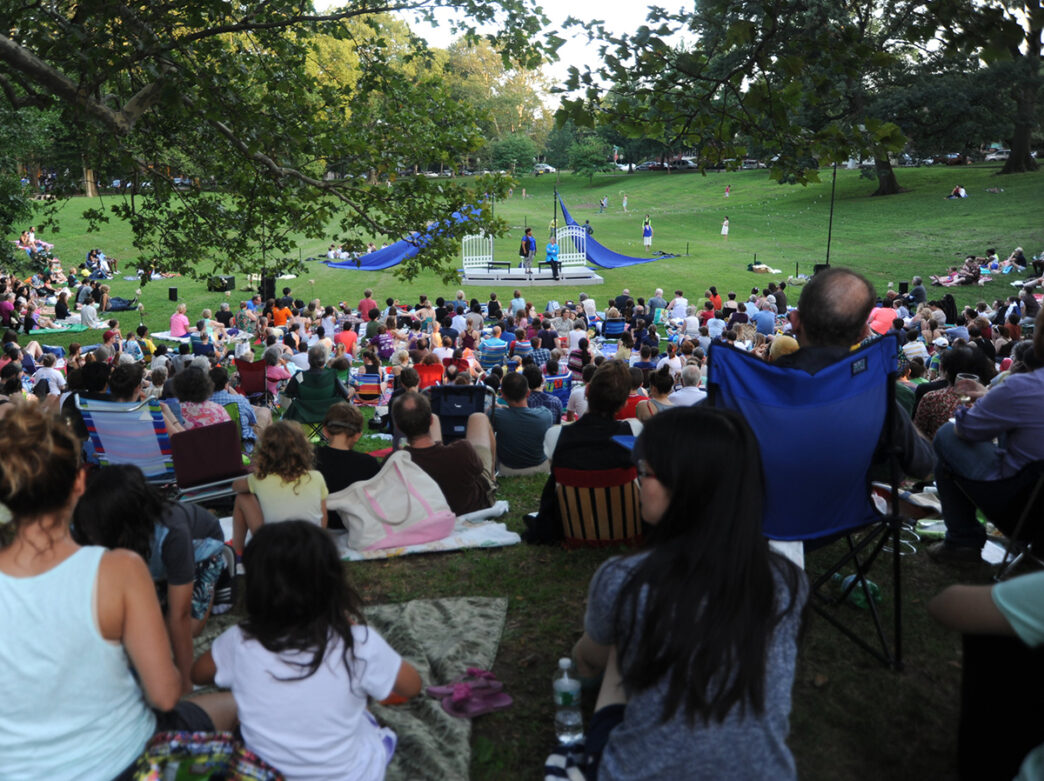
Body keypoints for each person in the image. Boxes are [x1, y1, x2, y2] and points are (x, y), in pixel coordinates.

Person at [570, 406, 807, 779]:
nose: (637, 480)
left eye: (645, 471)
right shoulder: (788, 581)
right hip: (766, 772)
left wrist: (582, 662)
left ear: (684, 485)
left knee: (616, 652)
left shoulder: (624, 580)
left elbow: (589, 658)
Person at [0, 408, 235, 779]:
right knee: (238, 703)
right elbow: (165, 696)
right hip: (128, 759)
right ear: (80, 482)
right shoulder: (120, 569)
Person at [192, 521, 421, 779]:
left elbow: (198, 674)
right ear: (333, 584)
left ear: (256, 589)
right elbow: (412, 686)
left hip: (264, 774)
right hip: (350, 774)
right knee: (363, 717)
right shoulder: (359, 643)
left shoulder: (239, 640)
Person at [73, 465, 233, 693]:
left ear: (121, 524)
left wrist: (185, 684)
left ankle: (219, 574)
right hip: (151, 562)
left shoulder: (172, 531)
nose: (92, 536)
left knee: (189, 628)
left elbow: (180, 616)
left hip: (201, 547)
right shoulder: (90, 522)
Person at [775, 267, 933, 481]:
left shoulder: (748, 386)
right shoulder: (877, 402)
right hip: (850, 509)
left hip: (773, 507)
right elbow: (926, 466)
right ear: (862, 334)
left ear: (794, 320)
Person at [927, 307, 1044, 563]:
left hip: (1025, 513)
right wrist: (992, 396)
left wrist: (982, 403)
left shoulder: (1022, 386)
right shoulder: (1018, 387)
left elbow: (965, 429)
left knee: (948, 434)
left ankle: (962, 541)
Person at [393, 390, 497, 515]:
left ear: (398, 427)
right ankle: (492, 476)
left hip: (430, 511)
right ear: (429, 421)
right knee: (479, 417)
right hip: (472, 507)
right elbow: (478, 469)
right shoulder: (462, 450)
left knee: (437, 423)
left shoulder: (395, 463)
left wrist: (403, 452)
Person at [231, 421, 329, 552]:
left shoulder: (260, 478)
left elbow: (235, 486)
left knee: (242, 497)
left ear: (264, 452)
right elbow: (323, 517)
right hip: (311, 545)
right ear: (303, 450)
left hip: (274, 548)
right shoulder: (316, 476)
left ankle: (237, 550)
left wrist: (253, 477)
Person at [315, 404, 381, 530]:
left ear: (325, 431)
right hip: (357, 529)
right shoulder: (369, 464)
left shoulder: (309, 459)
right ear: (357, 435)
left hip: (317, 526)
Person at [494, 371, 554, 475]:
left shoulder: (495, 415)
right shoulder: (546, 415)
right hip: (541, 467)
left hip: (507, 469)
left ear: (502, 395)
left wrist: (499, 408)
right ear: (528, 393)